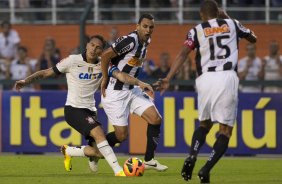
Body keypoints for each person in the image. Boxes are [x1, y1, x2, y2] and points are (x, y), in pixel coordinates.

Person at [156, 0, 257, 183]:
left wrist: (168, 78)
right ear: (218, 12)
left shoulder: (196, 30)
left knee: (204, 124)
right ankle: (206, 168)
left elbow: (183, 54)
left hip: (204, 80)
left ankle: (192, 155)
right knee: (225, 131)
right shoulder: (232, 24)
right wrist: (226, 17)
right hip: (226, 77)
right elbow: (253, 38)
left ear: (201, 15)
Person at [14, 35, 130, 176]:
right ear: (87, 45)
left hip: (91, 110)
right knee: (99, 134)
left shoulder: (103, 64)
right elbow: (46, 72)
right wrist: (26, 81)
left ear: (102, 51)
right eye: (92, 45)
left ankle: (68, 151)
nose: (94, 49)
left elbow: (119, 75)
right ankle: (118, 171)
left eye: (98, 47)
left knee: (98, 152)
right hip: (73, 109)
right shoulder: (72, 61)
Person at [100, 13, 168, 171]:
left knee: (156, 119)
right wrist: (104, 78)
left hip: (132, 90)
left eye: (151, 27)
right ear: (137, 26)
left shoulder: (147, 41)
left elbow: (132, 65)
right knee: (121, 136)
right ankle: (95, 148)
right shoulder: (130, 40)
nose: (148, 30)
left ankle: (150, 160)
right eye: (145, 26)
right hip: (115, 92)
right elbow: (105, 56)